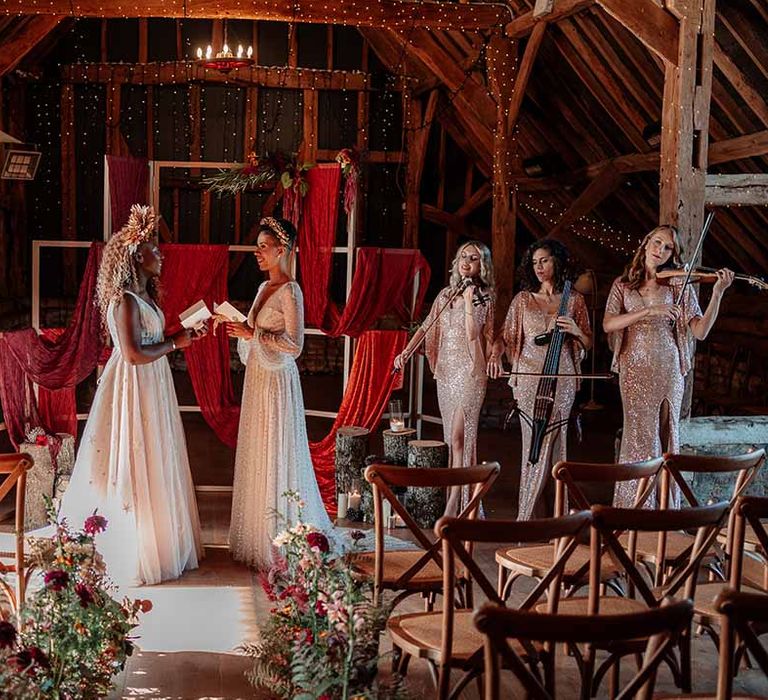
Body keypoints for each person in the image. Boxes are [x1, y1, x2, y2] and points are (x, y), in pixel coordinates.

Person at [60, 204, 204, 586]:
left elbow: (151, 342)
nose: (161, 254)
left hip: (153, 385)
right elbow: (133, 353)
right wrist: (176, 343)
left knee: (156, 457)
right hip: (133, 386)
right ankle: (135, 545)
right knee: (134, 457)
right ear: (137, 255)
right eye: (155, 249)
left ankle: (160, 539)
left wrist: (182, 337)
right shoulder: (123, 299)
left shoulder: (144, 297)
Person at [226, 217, 333, 568]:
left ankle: (282, 535)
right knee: (259, 447)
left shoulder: (291, 290)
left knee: (276, 448)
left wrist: (252, 335)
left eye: (263, 246)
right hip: (258, 378)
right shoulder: (262, 289)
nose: (257, 253)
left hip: (278, 382)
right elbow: (256, 331)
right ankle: (257, 534)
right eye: (257, 246)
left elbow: (296, 345)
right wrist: (242, 329)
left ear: (282, 250)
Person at [604, 224, 734, 507]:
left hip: (669, 367)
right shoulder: (622, 285)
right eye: (657, 242)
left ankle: (665, 511)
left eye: (667, 248)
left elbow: (700, 331)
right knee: (638, 435)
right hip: (634, 367)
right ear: (646, 241)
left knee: (666, 434)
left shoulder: (678, 284)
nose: (660, 250)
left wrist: (718, 294)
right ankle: (632, 510)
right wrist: (649, 311)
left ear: (673, 254)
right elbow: (609, 323)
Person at [490, 239, 591, 521]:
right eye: (535, 263)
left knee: (558, 446)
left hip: (563, 376)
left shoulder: (575, 301)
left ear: (557, 261)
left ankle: (557, 517)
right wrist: (496, 355)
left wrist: (576, 331)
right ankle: (527, 516)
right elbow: (504, 336)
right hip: (530, 377)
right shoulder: (523, 300)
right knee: (533, 445)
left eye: (544, 260)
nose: (539, 267)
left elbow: (588, 343)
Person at [393, 241, 496, 516]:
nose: (467, 262)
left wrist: (467, 301)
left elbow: (473, 334)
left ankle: (455, 505)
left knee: (462, 437)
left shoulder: (483, 296)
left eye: (474, 258)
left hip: (471, 371)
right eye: (463, 256)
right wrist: (406, 351)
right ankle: (462, 500)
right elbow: (428, 326)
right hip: (447, 371)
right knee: (452, 439)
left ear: (481, 266)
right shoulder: (444, 295)